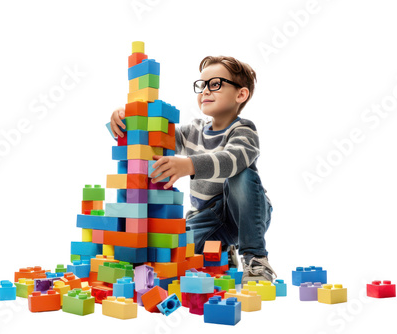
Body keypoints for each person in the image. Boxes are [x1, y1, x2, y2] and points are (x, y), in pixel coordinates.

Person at [109, 56, 275, 283]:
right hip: (207, 218)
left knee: (242, 173)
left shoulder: (244, 129)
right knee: (174, 247)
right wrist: (126, 117)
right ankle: (220, 252)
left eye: (215, 84)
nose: (205, 91)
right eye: (202, 85)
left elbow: (233, 159)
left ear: (240, 94)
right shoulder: (193, 131)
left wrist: (190, 165)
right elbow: (155, 137)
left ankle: (255, 258)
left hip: (243, 213)